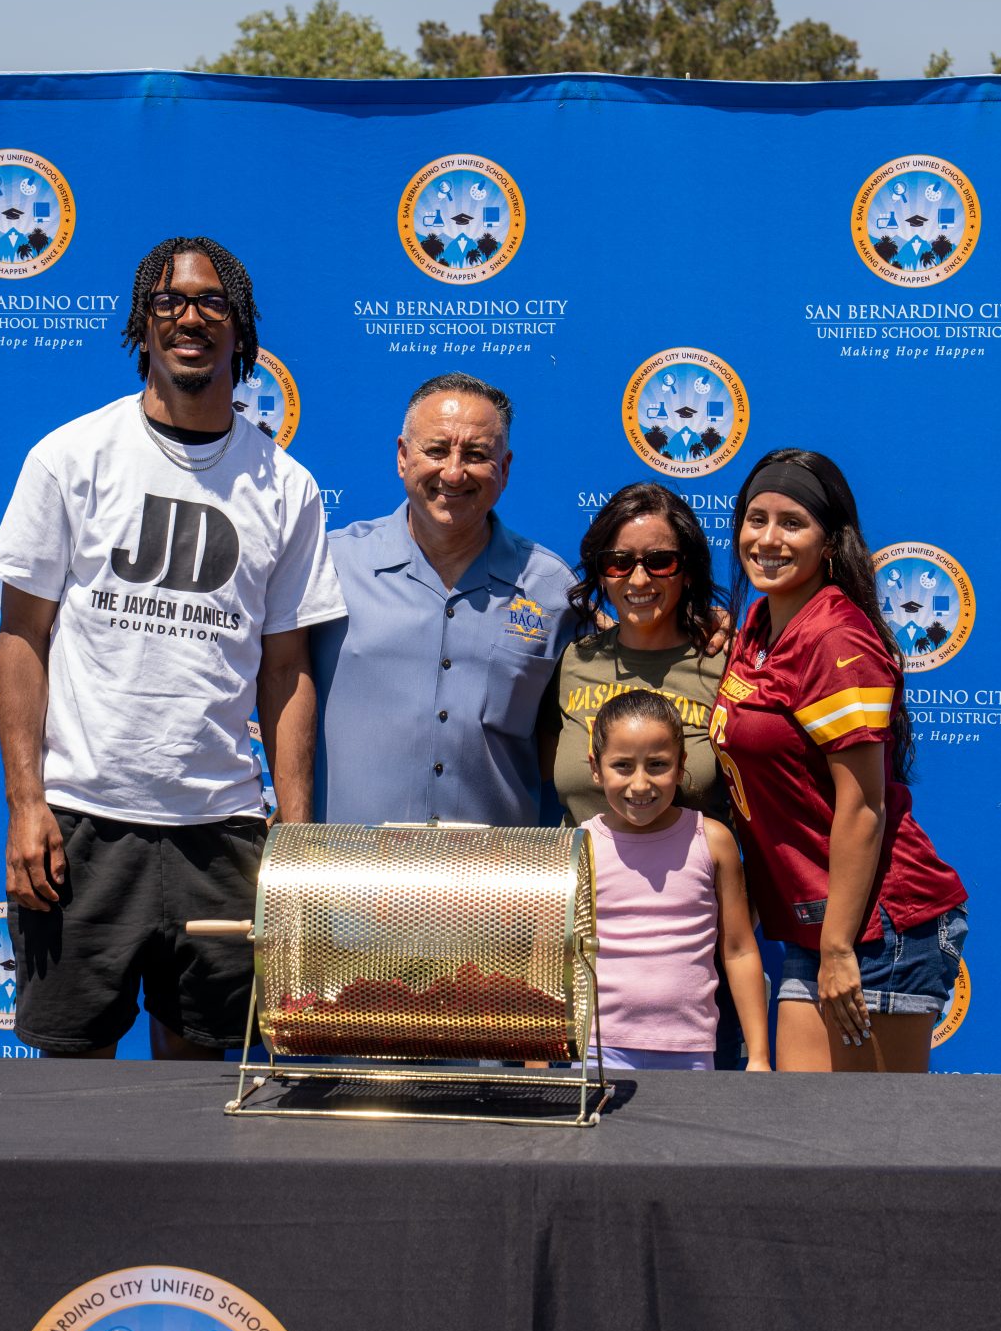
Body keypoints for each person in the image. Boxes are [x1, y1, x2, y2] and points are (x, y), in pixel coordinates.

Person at [0, 236, 345, 1059]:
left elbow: (286, 674)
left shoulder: (286, 487)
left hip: (219, 831)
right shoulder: (71, 457)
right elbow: (21, 639)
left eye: (212, 302)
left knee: (197, 1083)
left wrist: (292, 836)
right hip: (81, 824)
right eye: (170, 302)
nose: (191, 318)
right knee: (69, 1079)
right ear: (142, 325)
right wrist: (26, 804)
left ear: (241, 326)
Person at [707, 448, 967, 1074]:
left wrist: (839, 948)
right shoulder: (762, 624)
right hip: (822, 926)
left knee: (874, 1153)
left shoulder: (836, 638)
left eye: (791, 523)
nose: (767, 539)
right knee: (806, 1142)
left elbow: (863, 808)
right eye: (755, 518)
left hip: (876, 926)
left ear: (830, 542)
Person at [311, 372, 574, 826]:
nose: (453, 472)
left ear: (505, 468)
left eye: (476, 455)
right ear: (402, 456)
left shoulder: (551, 589)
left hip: (497, 882)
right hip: (345, 876)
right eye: (436, 450)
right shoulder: (328, 567)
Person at [581, 691, 769, 1072]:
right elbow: (552, 956)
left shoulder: (713, 841)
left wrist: (760, 1056)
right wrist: (538, 1060)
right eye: (622, 766)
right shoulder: (579, 846)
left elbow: (738, 950)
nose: (640, 784)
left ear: (681, 766)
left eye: (657, 765)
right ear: (595, 768)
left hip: (692, 1052)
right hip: (598, 1052)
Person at [545, 482, 727, 826]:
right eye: (618, 563)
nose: (639, 579)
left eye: (660, 562)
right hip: (584, 876)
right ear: (601, 575)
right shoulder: (572, 661)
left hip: (690, 878)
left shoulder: (726, 666)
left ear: (687, 572)